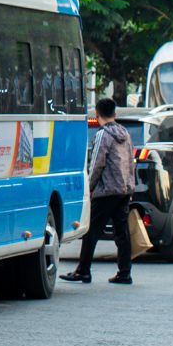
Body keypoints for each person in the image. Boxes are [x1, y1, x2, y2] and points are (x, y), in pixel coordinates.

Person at [61, 97, 135, 286]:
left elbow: (96, 164)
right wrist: (130, 187)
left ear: (97, 113)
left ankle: (83, 271)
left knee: (91, 231)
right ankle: (125, 273)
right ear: (115, 114)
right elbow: (130, 162)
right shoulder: (125, 133)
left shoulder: (103, 135)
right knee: (122, 233)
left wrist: (89, 187)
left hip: (106, 191)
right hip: (123, 190)